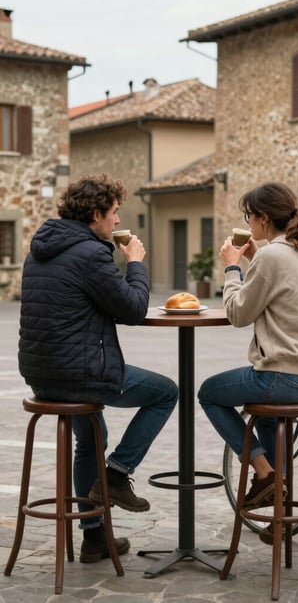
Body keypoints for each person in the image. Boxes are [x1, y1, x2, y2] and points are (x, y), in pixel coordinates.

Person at [18, 174, 178, 563]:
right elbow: (133, 309)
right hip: (80, 375)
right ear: (95, 214)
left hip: (41, 375)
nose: (117, 220)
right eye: (114, 212)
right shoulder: (91, 253)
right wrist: (135, 262)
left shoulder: (39, 248)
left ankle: (94, 539)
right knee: (166, 392)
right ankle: (117, 474)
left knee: (91, 436)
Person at [198, 181, 298, 544]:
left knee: (209, 393)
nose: (248, 222)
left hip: (284, 378)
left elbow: (237, 313)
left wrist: (232, 268)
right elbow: (281, 279)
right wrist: (254, 257)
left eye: (248, 216)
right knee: (271, 418)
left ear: (261, 218)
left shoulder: (272, 257)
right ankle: (280, 517)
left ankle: (265, 474)